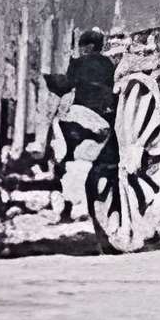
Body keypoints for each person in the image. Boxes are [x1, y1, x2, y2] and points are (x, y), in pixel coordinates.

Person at [45, 29, 120, 203]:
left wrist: (50, 80)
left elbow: (66, 85)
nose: (80, 50)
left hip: (84, 112)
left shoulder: (78, 63)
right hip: (106, 113)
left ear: (89, 47)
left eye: (82, 47)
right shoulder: (108, 63)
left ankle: (62, 158)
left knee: (57, 122)